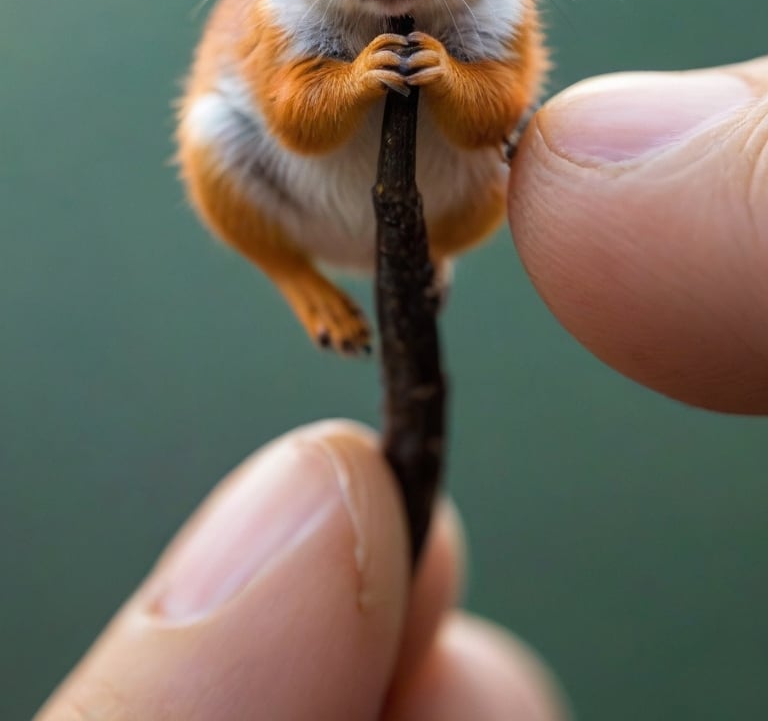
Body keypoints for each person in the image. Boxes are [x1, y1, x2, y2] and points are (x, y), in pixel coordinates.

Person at [36, 60, 768, 720]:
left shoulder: (490, 8)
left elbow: (491, 116)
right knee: (211, 136)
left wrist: (451, 78)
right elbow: (299, 123)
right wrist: (352, 83)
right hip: (294, 196)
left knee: (499, 175)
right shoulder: (285, 11)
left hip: (437, 213)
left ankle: (433, 250)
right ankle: (302, 284)